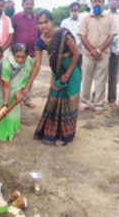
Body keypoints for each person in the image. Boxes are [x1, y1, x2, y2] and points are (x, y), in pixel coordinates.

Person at [25, 10, 81, 146]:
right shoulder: (40, 42)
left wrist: (67, 74)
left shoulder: (63, 35)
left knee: (69, 101)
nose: (43, 26)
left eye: (46, 22)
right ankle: (51, 133)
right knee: (54, 100)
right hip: (57, 72)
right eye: (40, 23)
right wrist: (28, 86)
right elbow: (37, 65)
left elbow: (76, 54)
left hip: (72, 71)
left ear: (52, 22)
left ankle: (65, 135)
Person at [79, 0, 116, 115]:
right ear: (91, 3)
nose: (97, 3)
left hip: (103, 55)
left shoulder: (109, 18)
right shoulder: (86, 18)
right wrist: (92, 50)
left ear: (103, 3)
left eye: (99, 1)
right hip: (88, 55)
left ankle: (99, 105)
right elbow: (82, 36)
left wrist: (99, 50)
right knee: (86, 79)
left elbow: (111, 36)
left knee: (101, 80)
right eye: (94, 1)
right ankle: (84, 102)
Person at [0, 43, 33, 141]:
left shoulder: (29, 61)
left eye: (23, 57)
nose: (20, 60)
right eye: (17, 57)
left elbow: (26, 77)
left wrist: (20, 90)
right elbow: (6, 86)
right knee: (0, 107)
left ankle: (11, 130)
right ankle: (0, 131)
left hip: (14, 86)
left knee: (13, 107)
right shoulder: (7, 63)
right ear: (12, 55)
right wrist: (5, 105)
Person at [12, 0, 40, 108]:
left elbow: (40, 34)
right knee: (15, 75)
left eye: (31, 3)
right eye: (27, 3)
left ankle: (27, 98)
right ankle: (14, 97)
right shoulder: (16, 17)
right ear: (22, 5)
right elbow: (11, 33)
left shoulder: (37, 18)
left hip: (32, 53)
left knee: (29, 76)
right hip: (18, 53)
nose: (29, 6)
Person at [61, 2, 83, 66]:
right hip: (68, 53)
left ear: (79, 10)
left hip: (80, 53)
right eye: (72, 10)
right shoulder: (64, 22)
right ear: (69, 10)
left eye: (76, 10)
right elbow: (62, 36)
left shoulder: (83, 22)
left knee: (80, 73)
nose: (74, 12)